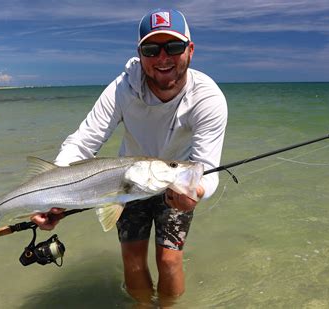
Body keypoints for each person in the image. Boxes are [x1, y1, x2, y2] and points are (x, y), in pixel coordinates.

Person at [31, 8, 227, 300]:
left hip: (176, 182)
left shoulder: (208, 98)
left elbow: (207, 167)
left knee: (169, 260)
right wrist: (54, 189)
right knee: (133, 259)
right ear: (140, 52)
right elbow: (84, 141)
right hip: (126, 181)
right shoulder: (122, 89)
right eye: (151, 49)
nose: (163, 58)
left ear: (190, 49)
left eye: (173, 47)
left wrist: (196, 192)